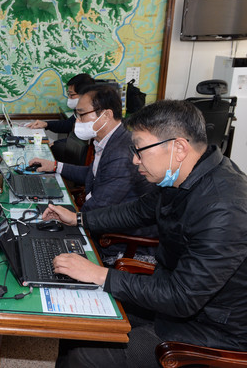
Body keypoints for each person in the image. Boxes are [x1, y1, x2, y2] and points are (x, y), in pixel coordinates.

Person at [43, 100, 247, 367]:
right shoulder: (184, 174)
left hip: (210, 328)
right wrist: (78, 218)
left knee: (84, 358)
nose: (134, 159)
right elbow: (137, 211)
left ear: (179, 148)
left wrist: (100, 274)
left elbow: (182, 297)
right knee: (79, 317)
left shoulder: (223, 209)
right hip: (175, 299)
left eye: (140, 149)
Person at [29, 85, 154, 237]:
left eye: (82, 115)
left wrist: (72, 217)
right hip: (94, 216)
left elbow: (99, 209)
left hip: (117, 236)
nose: (77, 122)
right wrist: (55, 166)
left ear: (106, 115)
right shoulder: (108, 139)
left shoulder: (122, 155)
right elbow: (94, 173)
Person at [26, 74, 95, 163]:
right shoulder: (80, 110)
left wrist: (57, 144)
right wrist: (46, 124)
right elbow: (68, 124)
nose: (69, 98)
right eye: (68, 94)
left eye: (72, 95)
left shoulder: (92, 115)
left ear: (85, 95)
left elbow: (82, 144)